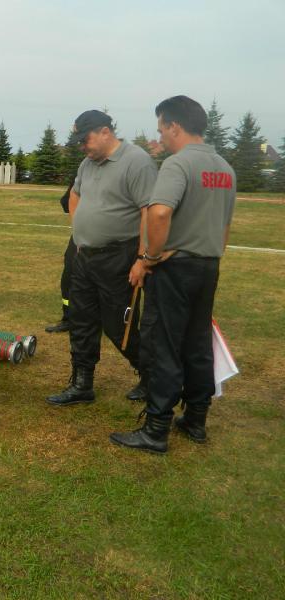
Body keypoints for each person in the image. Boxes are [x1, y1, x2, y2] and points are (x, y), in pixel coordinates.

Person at [110, 96, 236, 453]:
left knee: (163, 345)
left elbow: (160, 212)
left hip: (175, 268)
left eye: (161, 128)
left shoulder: (177, 164)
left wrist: (149, 257)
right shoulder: (225, 168)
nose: (160, 136)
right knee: (197, 342)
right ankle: (196, 418)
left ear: (175, 126)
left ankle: (156, 429)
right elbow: (225, 224)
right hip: (208, 265)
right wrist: (210, 252)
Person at [46, 110, 158, 407]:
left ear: (105, 131)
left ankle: (151, 377)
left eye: (85, 139)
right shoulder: (87, 164)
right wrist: (79, 233)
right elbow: (75, 196)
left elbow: (149, 211)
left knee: (119, 325)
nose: (82, 146)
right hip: (85, 257)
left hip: (119, 257)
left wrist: (142, 259)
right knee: (81, 321)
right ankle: (82, 384)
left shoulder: (137, 161)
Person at [44, 181, 77, 333]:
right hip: (80, 236)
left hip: (109, 240)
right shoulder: (82, 174)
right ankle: (69, 318)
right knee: (68, 279)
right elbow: (65, 203)